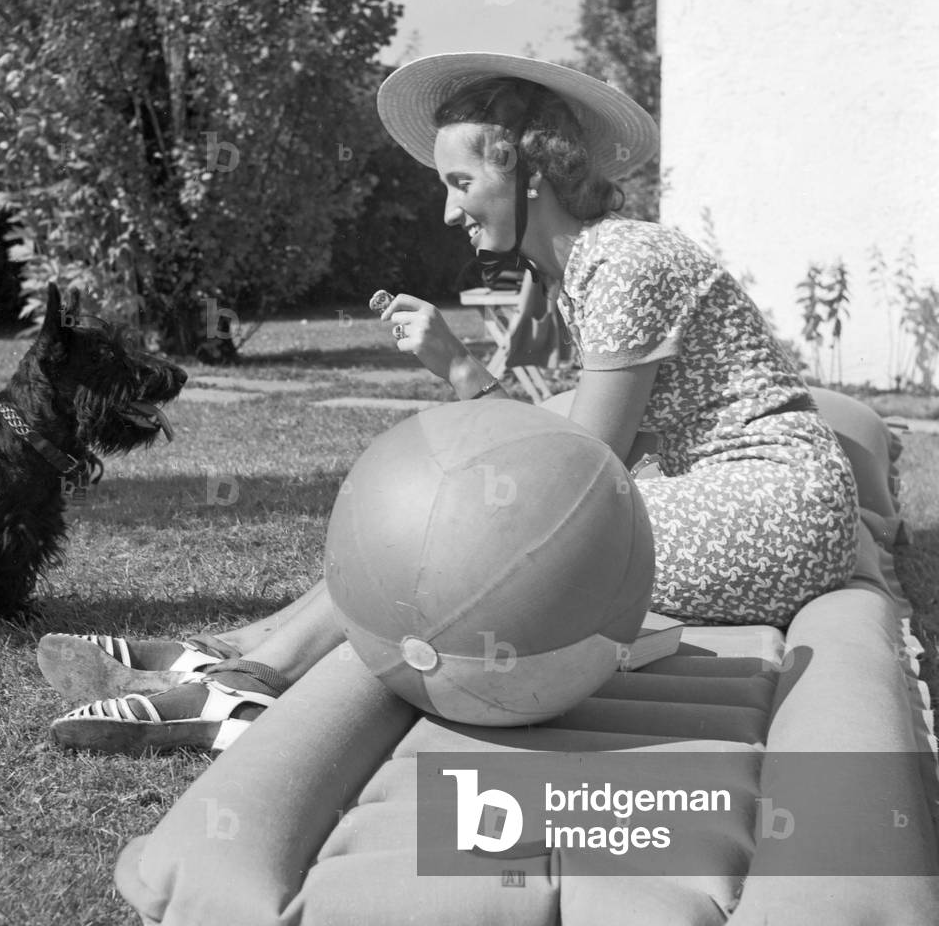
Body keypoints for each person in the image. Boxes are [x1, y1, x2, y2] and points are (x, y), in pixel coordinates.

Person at [43, 53, 860, 756]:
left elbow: (573, 482)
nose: (447, 210)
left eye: (461, 182)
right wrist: (465, 369)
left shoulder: (622, 263)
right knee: (456, 509)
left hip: (772, 509)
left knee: (455, 534)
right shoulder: (592, 270)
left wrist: (463, 374)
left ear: (529, 172)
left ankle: (249, 679)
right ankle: (226, 652)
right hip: (737, 499)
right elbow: (541, 449)